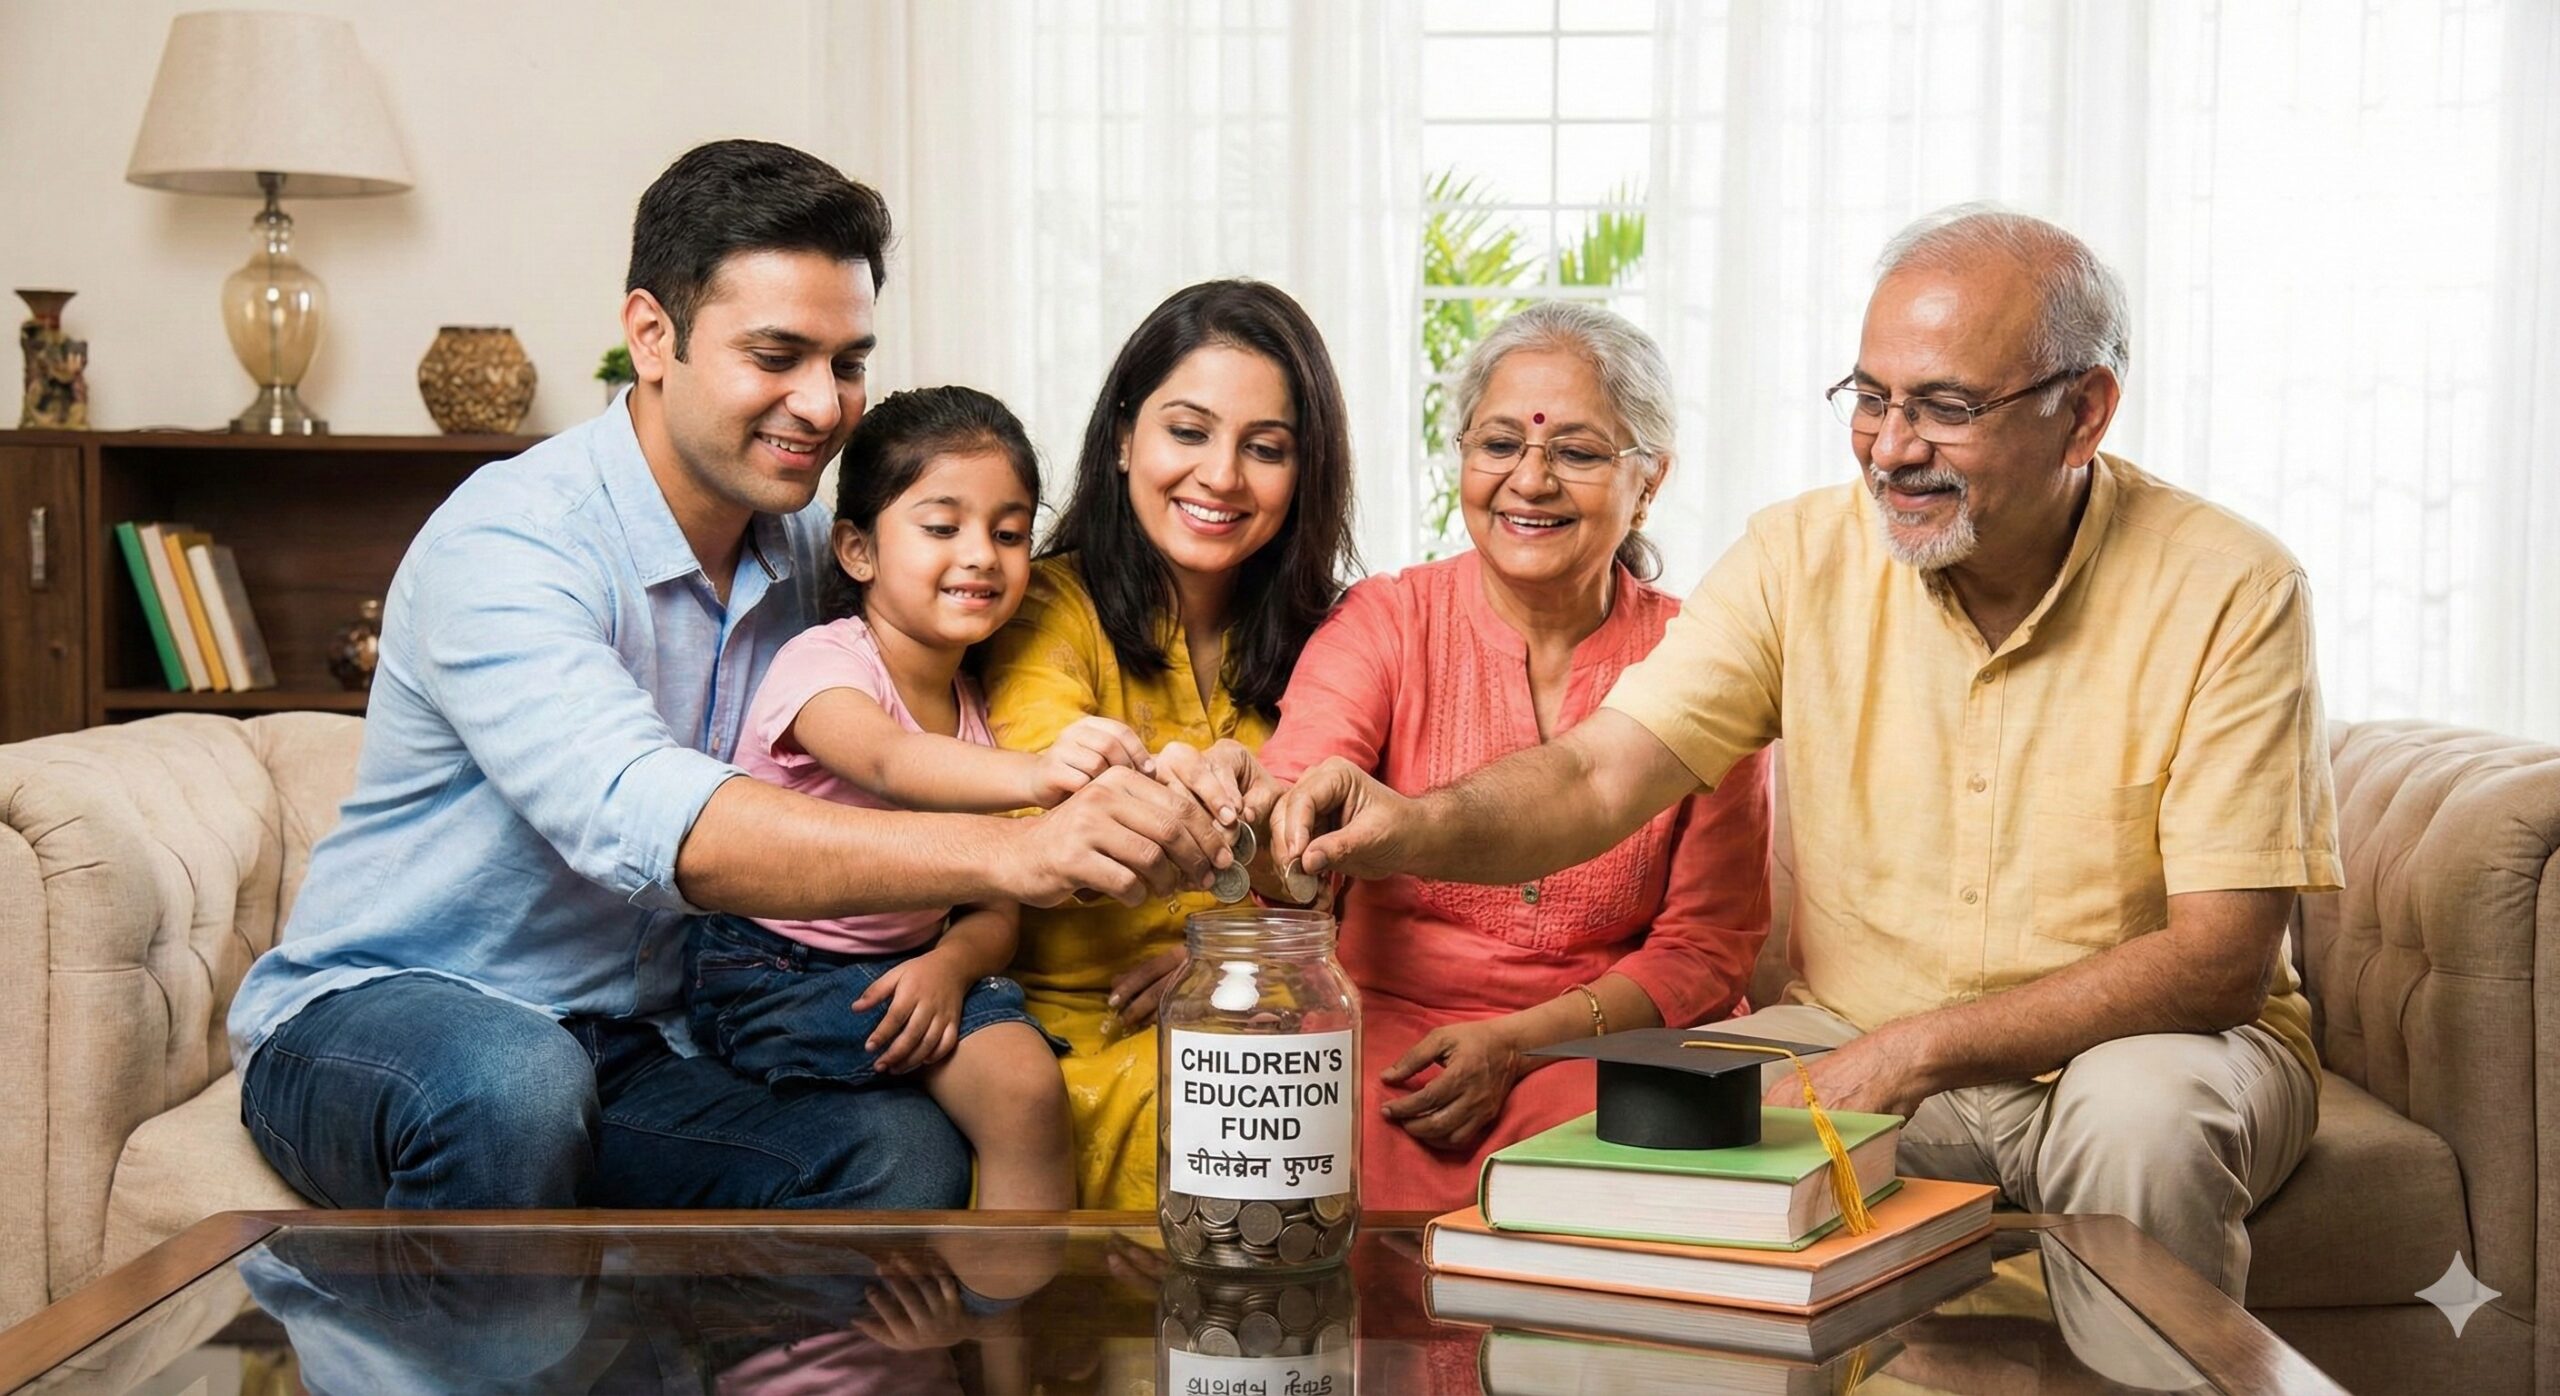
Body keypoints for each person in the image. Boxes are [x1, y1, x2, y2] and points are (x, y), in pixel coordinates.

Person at [1277, 203, 2339, 1300]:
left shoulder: (2230, 585)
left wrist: (1916, 1051)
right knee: (1642, 1145)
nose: (1890, 447)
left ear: (2084, 414)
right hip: (1847, 1034)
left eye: (1944, 408)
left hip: (2142, 1047)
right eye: (1870, 398)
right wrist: (1411, 825)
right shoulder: (1796, 557)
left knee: (2142, 1122)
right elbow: (1599, 772)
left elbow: (2221, 958)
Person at [227, 139, 1231, 1212]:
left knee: (905, 1152)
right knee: (514, 1082)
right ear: (652, 335)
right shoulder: (513, 539)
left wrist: (1186, 769)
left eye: (845, 363)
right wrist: (1022, 847)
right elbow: (661, 823)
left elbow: (1012, 624)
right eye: (776, 354)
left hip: (641, 1044)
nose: (821, 403)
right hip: (390, 1020)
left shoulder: (815, 550)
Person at [1254, 302, 1772, 1210]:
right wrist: (1263, 829)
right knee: (1326, 1164)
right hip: (1393, 1046)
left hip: (1605, 1049)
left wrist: (1524, 1040)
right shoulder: (1385, 624)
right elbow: (1295, 818)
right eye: (1499, 445)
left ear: (1648, 483)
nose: (1528, 481)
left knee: (1618, 1184)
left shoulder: (1705, 660)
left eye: (1575, 453)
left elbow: (1706, 946)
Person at [684, 385, 1154, 1211]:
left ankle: (1017, 1335)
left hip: (913, 965)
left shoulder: (978, 708)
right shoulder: (825, 664)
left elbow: (994, 906)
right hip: (774, 969)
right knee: (995, 1096)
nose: (981, 554)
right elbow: (891, 762)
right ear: (858, 551)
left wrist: (947, 965)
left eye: (1009, 534)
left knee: (1026, 1093)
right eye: (943, 528)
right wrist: (1042, 774)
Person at [980, 278, 1359, 1207]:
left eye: (1264, 448)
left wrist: (1236, 955)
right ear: (1121, 438)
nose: (1221, 475)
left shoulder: (1342, 632)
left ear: (1305, 473)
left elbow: (1354, 872)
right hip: (1074, 1041)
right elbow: (1063, 808)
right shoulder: (1041, 606)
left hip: (1270, 1037)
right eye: (1187, 432)